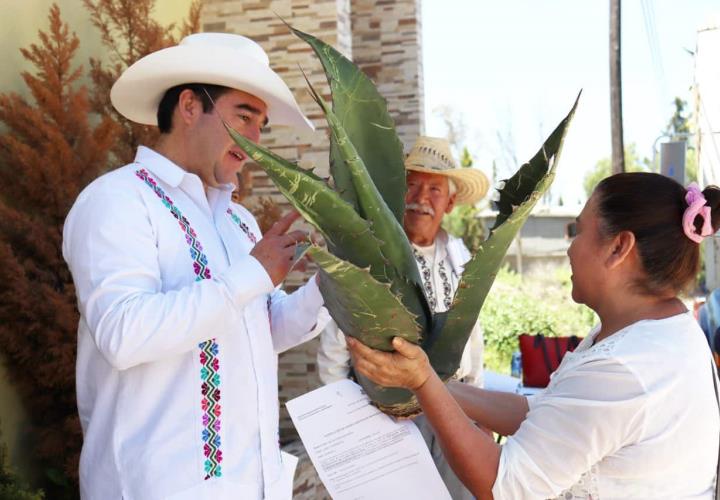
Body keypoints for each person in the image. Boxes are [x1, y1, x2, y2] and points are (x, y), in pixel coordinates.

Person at [63, 33, 329, 500]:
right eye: (244, 116)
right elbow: (124, 334)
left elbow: (264, 329)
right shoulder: (117, 200)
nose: (255, 141)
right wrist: (251, 275)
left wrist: (336, 281)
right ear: (189, 106)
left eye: (262, 124)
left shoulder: (239, 221)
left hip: (253, 485)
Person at [348, 172, 720, 499]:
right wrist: (427, 384)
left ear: (619, 248)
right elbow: (545, 414)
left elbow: (503, 486)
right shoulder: (662, 333)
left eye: (578, 231)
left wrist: (424, 381)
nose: (570, 247)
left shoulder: (624, 369)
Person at [317, 136, 489, 499]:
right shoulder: (371, 255)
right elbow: (335, 344)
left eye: (434, 188)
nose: (420, 197)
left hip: (454, 411)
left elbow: (473, 338)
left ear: (451, 201)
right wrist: (346, 421)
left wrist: (479, 414)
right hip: (384, 417)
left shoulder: (461, 258)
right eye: (411, 184)